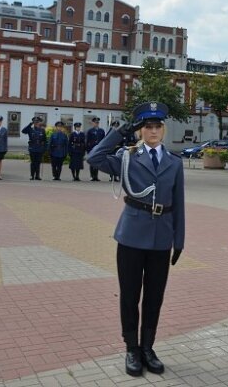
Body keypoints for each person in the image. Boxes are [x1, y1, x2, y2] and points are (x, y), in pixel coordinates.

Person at [87, 101, 185, 377]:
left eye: (157, 126)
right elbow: (94, 158)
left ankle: (148, 347)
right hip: (131, 235)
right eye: (147, 126)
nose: (153, 131)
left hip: (162, 236)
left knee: (154, 296)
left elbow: (179, 202)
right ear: (140, 130)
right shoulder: (128, 156)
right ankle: (132, 348)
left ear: (163, 129)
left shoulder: (174, 162)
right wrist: (120, 133)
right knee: (130, 295)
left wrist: (180, 240)